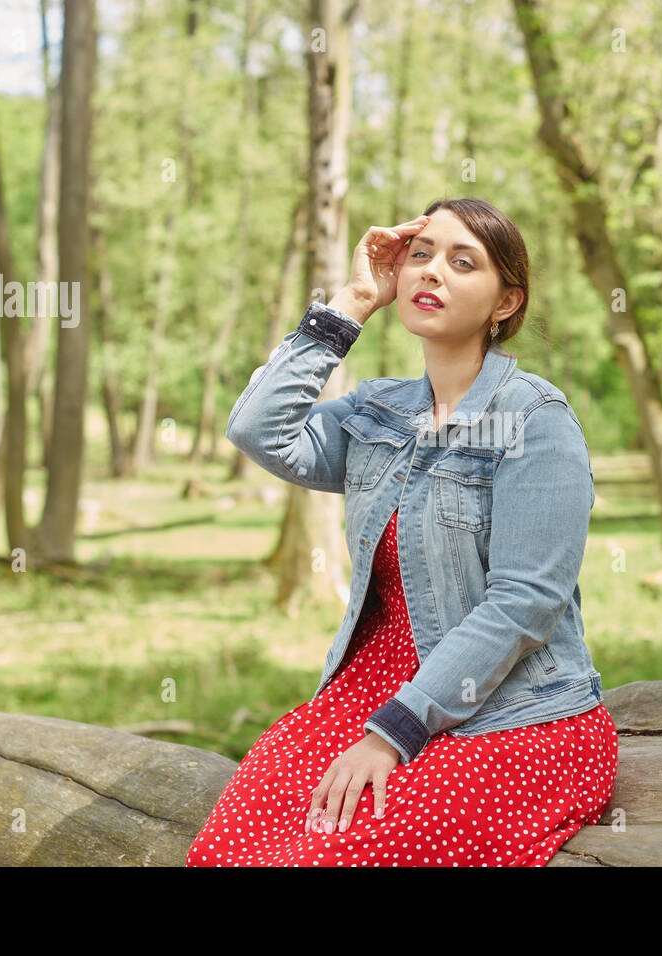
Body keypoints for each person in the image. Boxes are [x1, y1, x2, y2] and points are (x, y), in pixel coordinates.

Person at [186, 197, 617, 866]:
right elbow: (258, 429)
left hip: (509, 718)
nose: (431, 272)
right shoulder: (379, 411)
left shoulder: (537, 421)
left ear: (506, 303)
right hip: (367, 695)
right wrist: (353, 301)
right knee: (228, 851)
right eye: (421, 255)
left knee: (335, 858)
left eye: (462, 261)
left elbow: (525, 605)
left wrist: (393, 733)